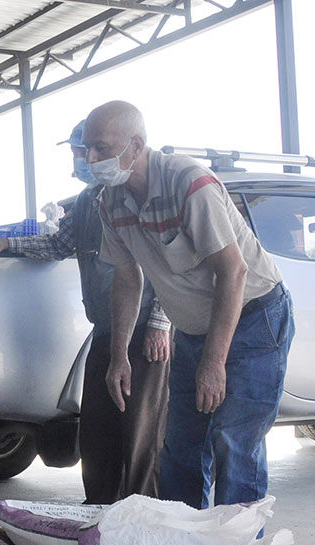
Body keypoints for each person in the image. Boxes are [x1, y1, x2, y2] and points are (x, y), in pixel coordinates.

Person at [86, 100, 293, 510]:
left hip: (254, 320)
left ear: (135, 145)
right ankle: (184, 539)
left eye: (101, 148)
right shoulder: (110, 202)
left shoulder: (189, 183)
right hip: (195, 329)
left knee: (233, 441)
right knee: (181, 445)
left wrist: (213, 363)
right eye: (87, 149)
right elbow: (127, 278)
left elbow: (232, 272)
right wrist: (119, 355)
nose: (91, 159)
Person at [0, 121, 171, 504]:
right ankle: (100, 507)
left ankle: (141, 511)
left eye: (87, 151)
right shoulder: (86, 203)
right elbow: (58, 244)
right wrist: (8, 243)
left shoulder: (138, 196)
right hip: (106, 329)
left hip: (144, 330)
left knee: (140, 430)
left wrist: (160, 323)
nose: (83, 159)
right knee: (98, 426)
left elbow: (164, 261)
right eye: (79, 152)